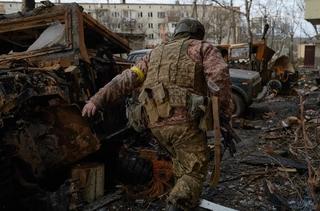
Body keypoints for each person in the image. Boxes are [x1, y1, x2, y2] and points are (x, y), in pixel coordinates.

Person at [82, 18, 232, 211]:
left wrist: (97, 99)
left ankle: (182, 192)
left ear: (177, 33)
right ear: (197, 34)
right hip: (184, 123)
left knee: (181, 162)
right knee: (195, 170)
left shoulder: (154, 54)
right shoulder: (201, 47)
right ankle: (177, 203)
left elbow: (127, 79)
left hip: (155, 124)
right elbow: (219, 76)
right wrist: (224, 113)